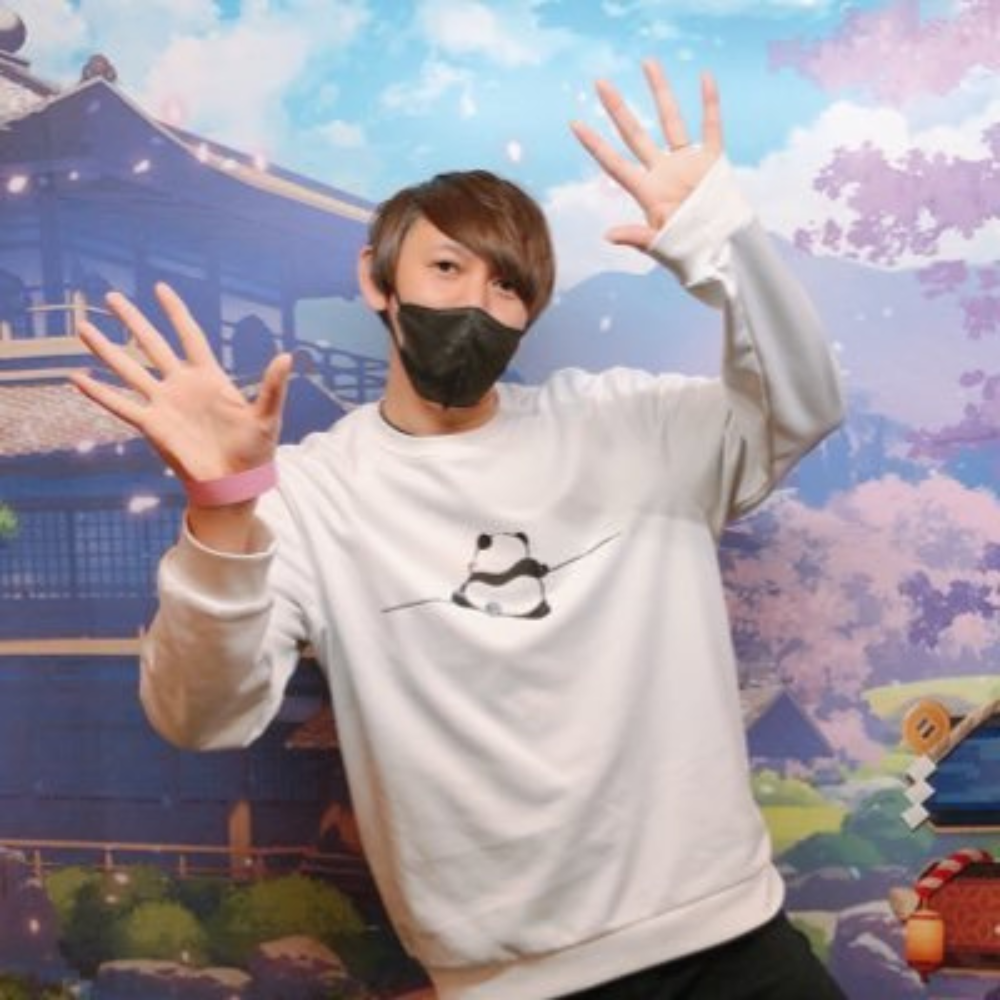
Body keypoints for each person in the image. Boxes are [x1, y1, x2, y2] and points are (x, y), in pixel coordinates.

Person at [72, 59, 846, 1000]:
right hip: (506, 982)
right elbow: (199, 716)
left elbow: (802, 404)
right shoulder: (309, 497)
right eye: (446, 268)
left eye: (508, 286)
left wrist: (722, 240)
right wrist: (223, 510)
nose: (477, 304)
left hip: (730, 943)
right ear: (377, 279)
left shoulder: (633, 425)